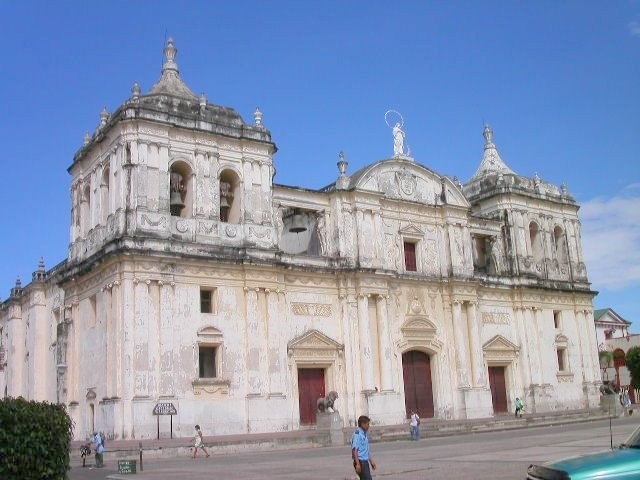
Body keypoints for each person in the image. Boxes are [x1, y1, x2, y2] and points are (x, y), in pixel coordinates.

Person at [351, 415, 376, 480]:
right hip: (361, 462)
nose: (368, 426)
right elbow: (355, 450)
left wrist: (371, 461)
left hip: (365, 461)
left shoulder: (364, 434)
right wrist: (358, 464)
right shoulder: (358, 434)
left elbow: (366, 450)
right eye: (367, 424)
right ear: (362, 424)